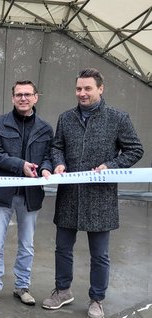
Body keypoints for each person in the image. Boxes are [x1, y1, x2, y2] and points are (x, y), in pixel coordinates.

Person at [42, 68, 143, 318]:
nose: (82, 93)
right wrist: (59, 162)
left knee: (100, 254)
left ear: (100, 89)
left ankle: (97, 299)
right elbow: (57, 147)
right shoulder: (66, 118)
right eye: (79, 89)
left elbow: (134, 149)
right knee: (62, 248)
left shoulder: (118, 118)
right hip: (69, 195)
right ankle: (62, 291)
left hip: (100, 197)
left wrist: (111, 165)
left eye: (88, 88)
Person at [0, 80, 53, 307]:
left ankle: (22, 286)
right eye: (19, 95)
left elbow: (49, 156)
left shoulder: (45, 129)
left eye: (27, 94)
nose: (23, 98)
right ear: (13, 98)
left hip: (31, 195)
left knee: (27, 244)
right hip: (2, 193)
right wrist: (21, 165)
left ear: (36, 97)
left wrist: (45, 168)